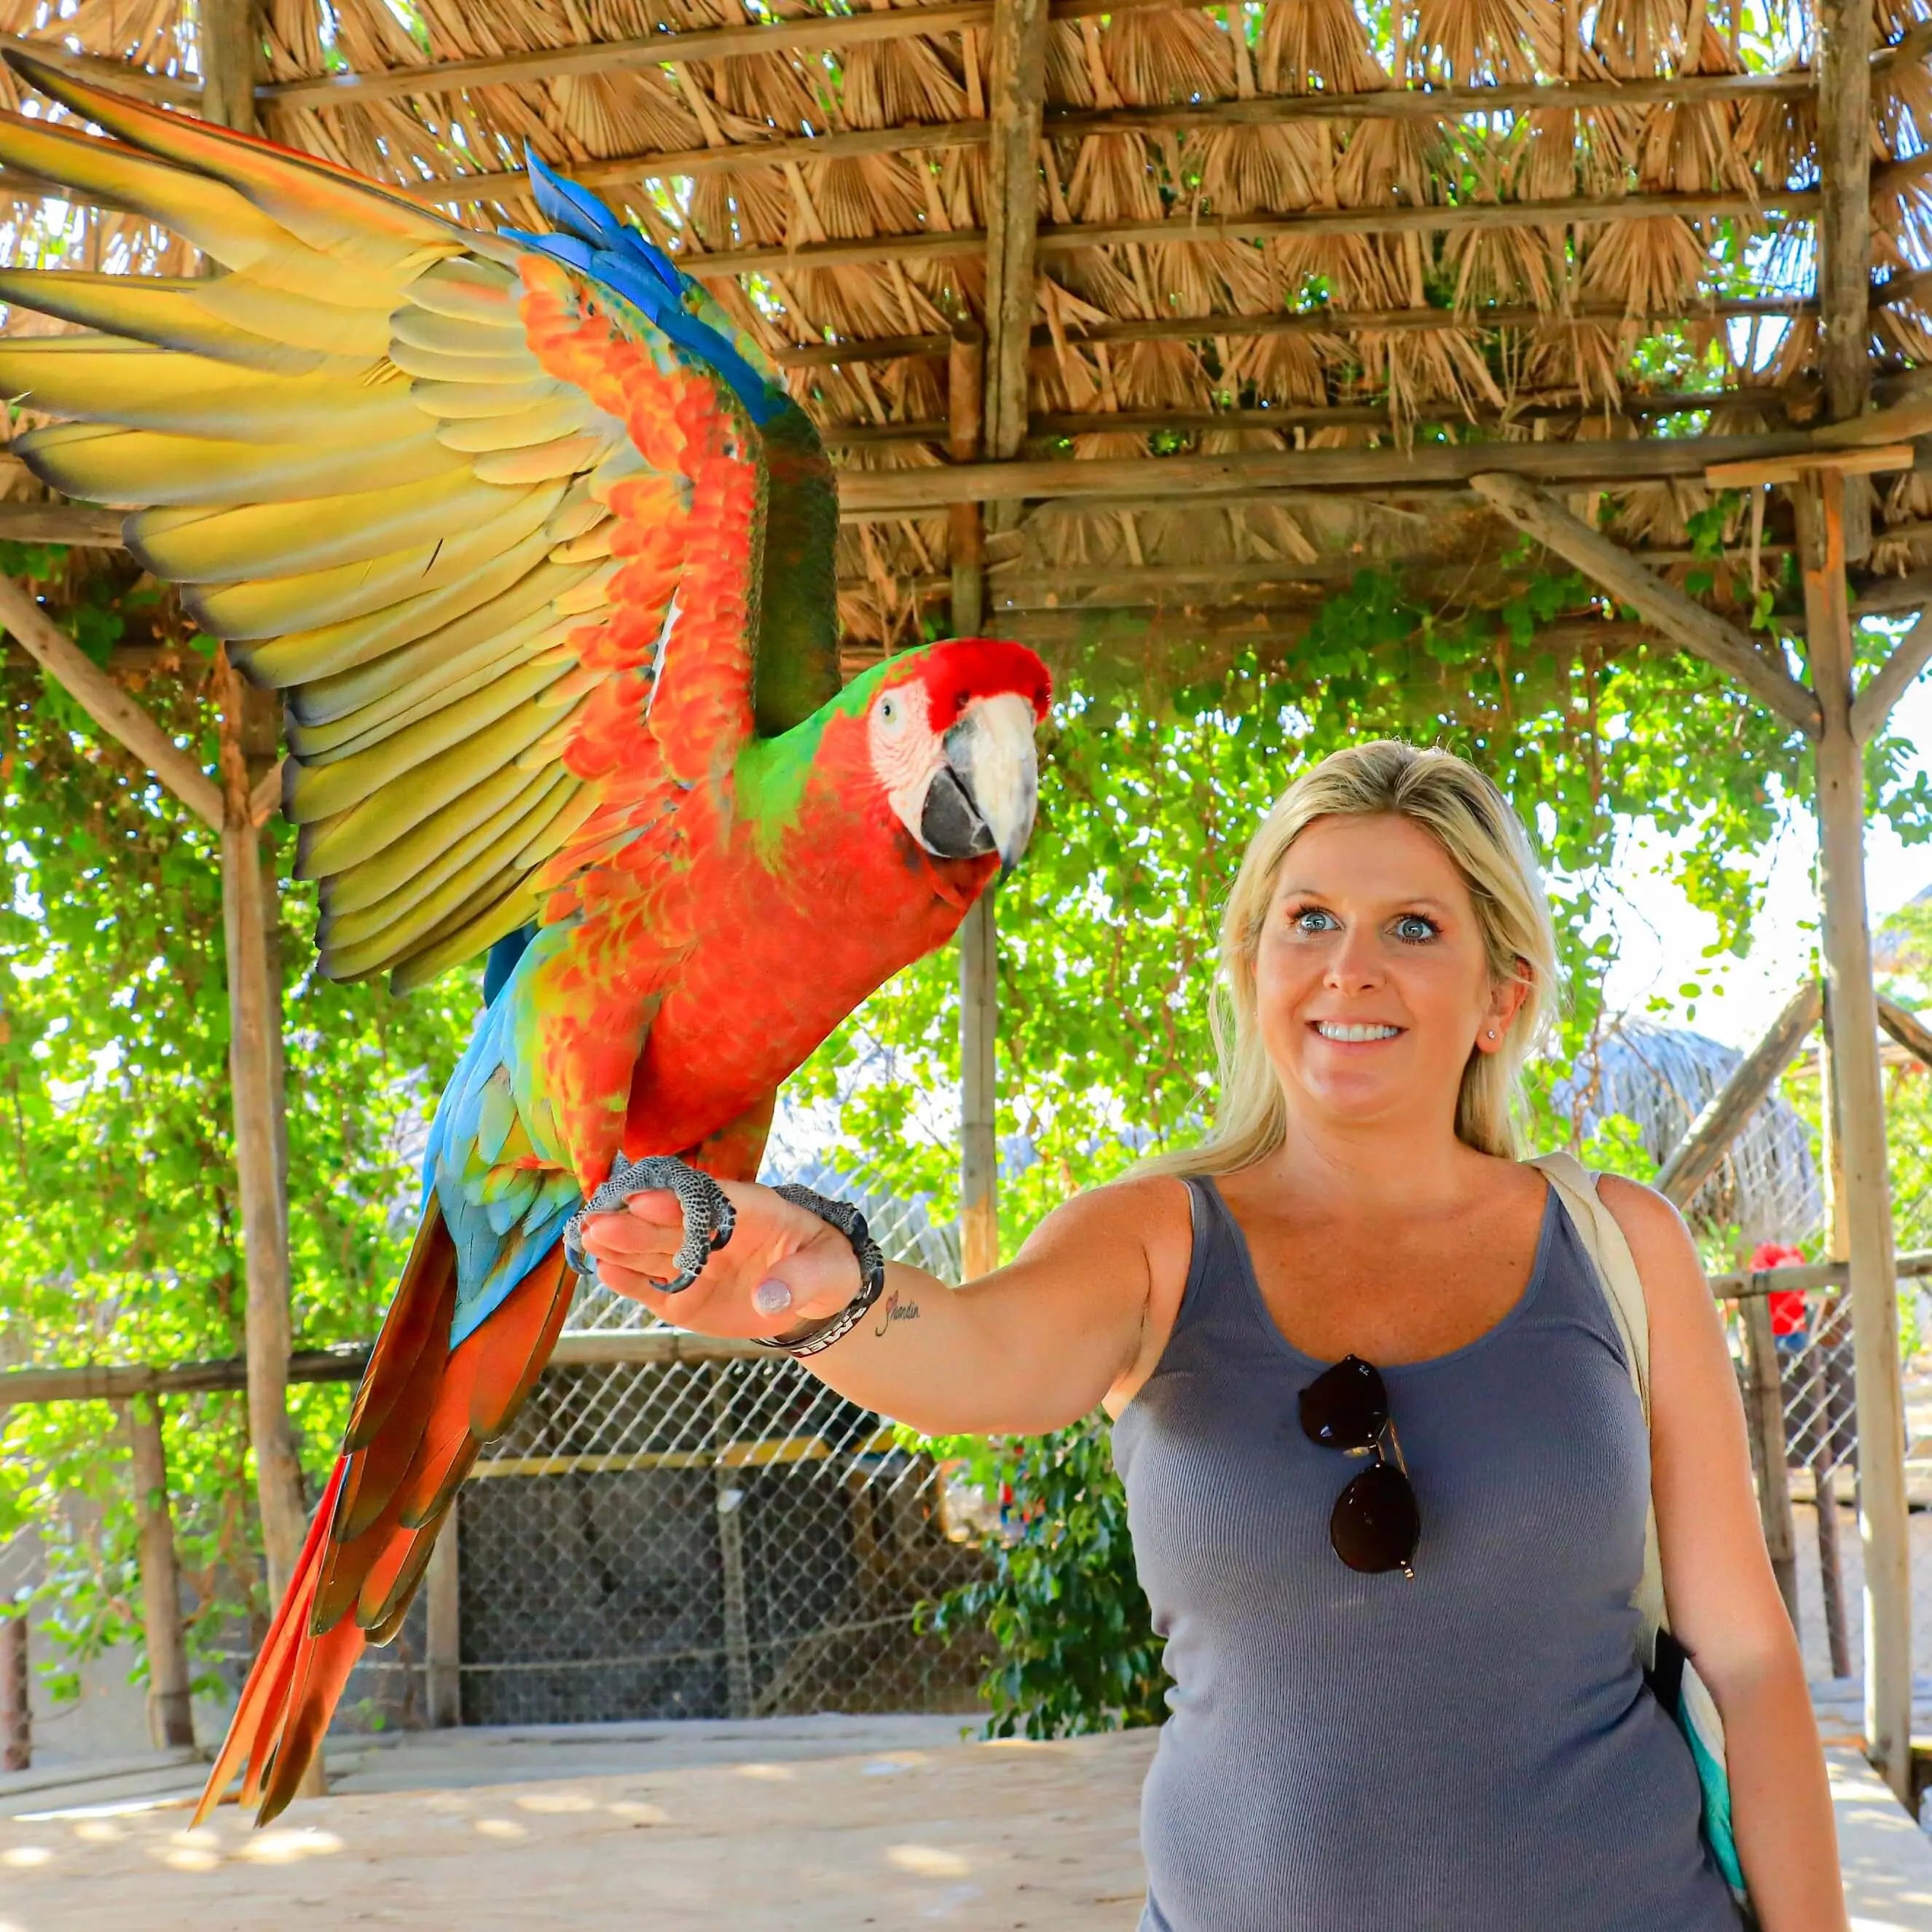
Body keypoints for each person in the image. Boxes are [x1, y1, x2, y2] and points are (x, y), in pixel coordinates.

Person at [580, 740, 1845, 1932]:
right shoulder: (1151, 1238)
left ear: (1499, 1000)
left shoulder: (1618, 1242)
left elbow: (1747, 1659)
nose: (1351, 968)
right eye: (1309, 921)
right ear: (1252, 970)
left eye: (1414, 927)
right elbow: (981, 1358)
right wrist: (824, 1291)